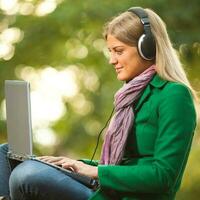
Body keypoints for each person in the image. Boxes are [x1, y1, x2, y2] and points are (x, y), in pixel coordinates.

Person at [0, 6, 198, 200]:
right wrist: (74, 164)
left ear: (146, 48)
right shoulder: (130, 96)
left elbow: (163, 176)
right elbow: (119, 163)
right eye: (110, 51)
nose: (112, 60)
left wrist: (95, 172)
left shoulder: (174, 95)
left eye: (118, 51)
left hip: (126, 196)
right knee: (6, 153)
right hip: (108, 189)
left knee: (26, 174)